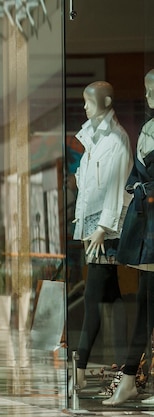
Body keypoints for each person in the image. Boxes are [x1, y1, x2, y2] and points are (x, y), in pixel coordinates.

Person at [68, 81, 132, 397]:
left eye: (88, 102)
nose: (84, 107)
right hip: (93, 229)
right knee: (109, 295)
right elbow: (88, 183)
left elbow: (117, 188)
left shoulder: (117, 141)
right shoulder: (94, 138)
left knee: (94, 297)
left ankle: (80, 367)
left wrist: (103, 227)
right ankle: (123, 364)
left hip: (104, 232)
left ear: (105, 101)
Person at [103, 69, 154, 406]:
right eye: (147, 89)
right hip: (147, 230)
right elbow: (136, 177)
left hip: (148, 225)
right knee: (145, 307)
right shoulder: (148, 130)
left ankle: (128, 380)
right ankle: (127, 380)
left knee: (146, 308)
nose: (149, 96)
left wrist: (142, 188)